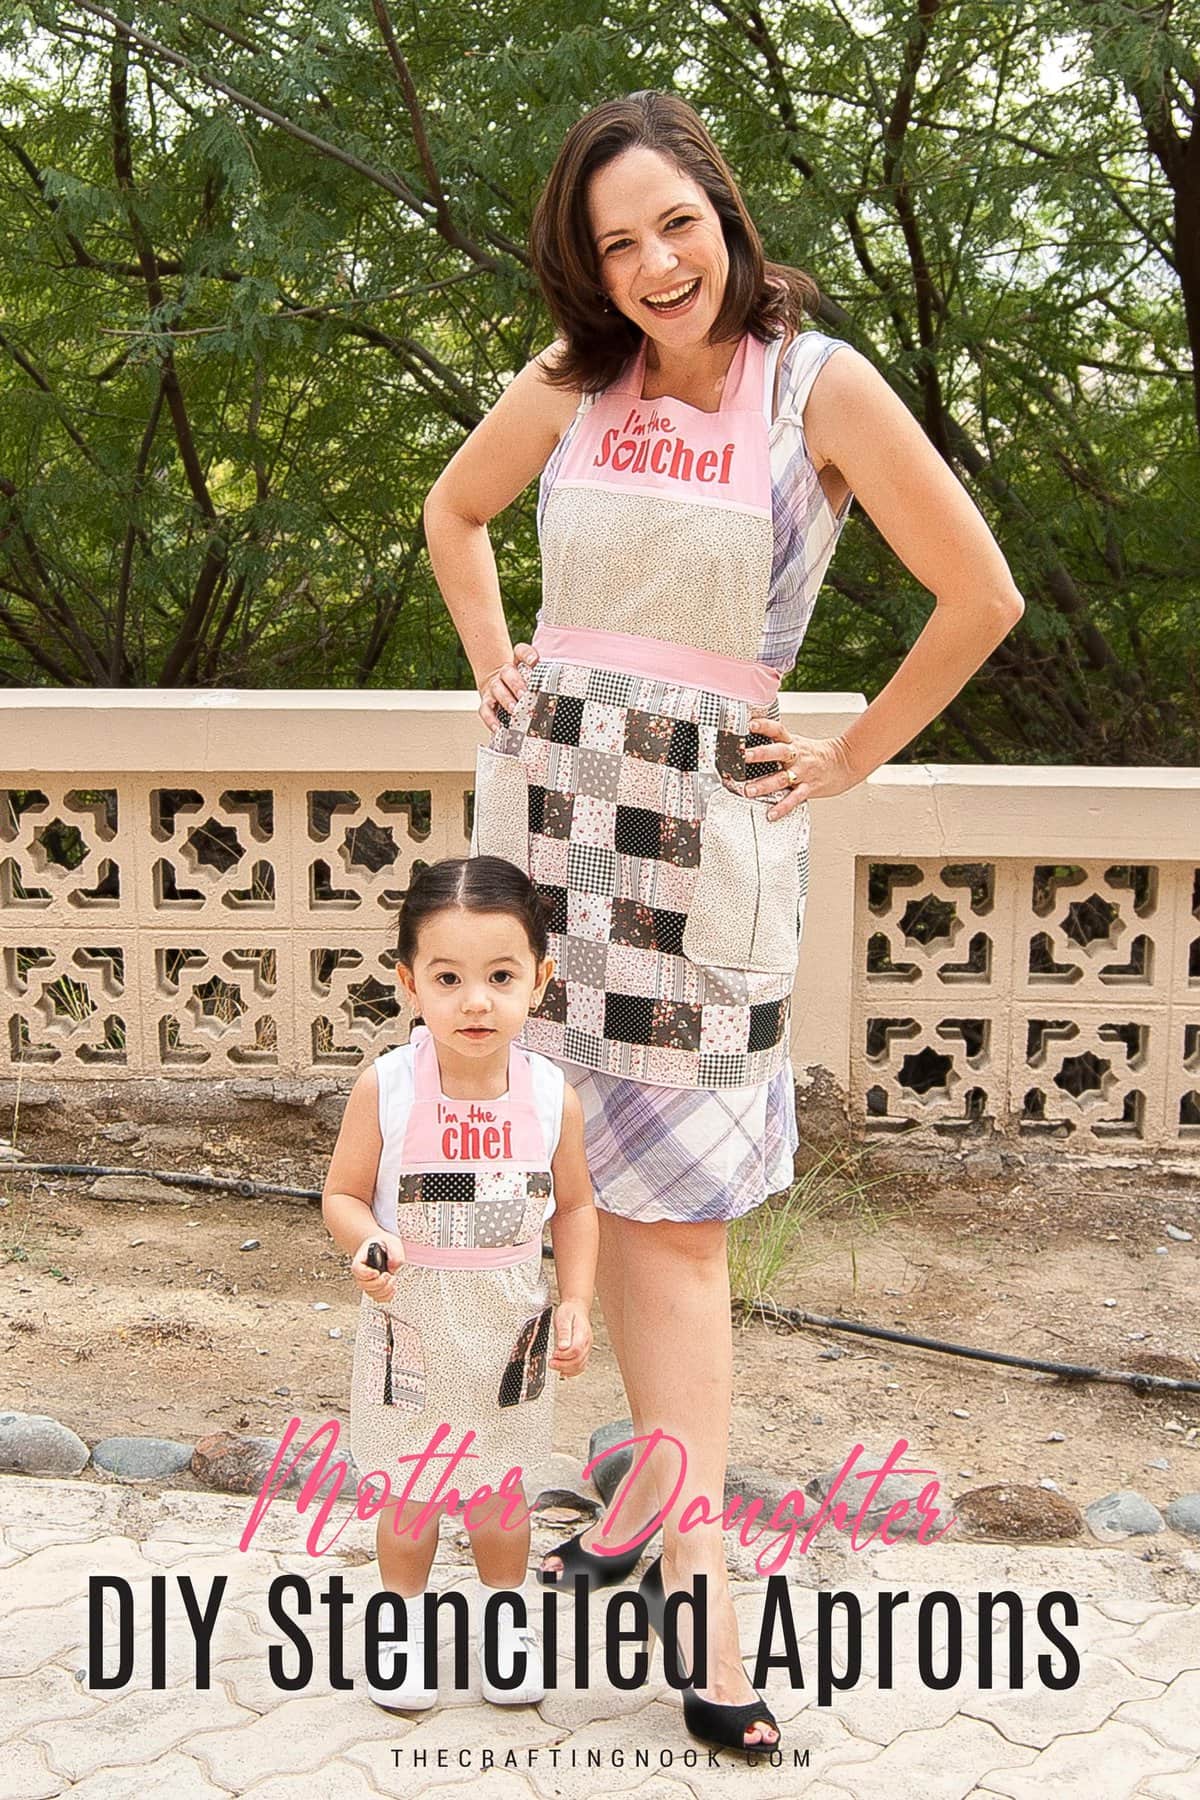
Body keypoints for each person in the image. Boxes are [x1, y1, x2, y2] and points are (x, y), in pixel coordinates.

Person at [423, 91, 1025, 1751]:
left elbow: (981, 592)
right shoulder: (570, 384)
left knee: (675, 1230)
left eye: (672, 222)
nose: (653, 264)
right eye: (615, 244)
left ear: (724, 210)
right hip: (545, 848)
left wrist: (846, 758)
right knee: (580, 1194)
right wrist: (493, 654)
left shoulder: (817, 390)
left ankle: (710, 1600)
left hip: (701, 857)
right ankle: (623, 1524)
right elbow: (453, 514)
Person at [322, 855, 598, 1711]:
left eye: (500, 976)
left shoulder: (552, 1097)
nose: (475, 1000)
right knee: (409, 1490)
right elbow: (340, 1194)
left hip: (510, 1329)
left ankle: (506, 1621)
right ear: (409, 982)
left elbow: (576, 1210)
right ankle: (399, 1623)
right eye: (448, 977)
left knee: (501, 1490)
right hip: (412, 1326)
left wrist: (578, 1302)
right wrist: (369, 1242)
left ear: (539, 982)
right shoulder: (388, 1087)